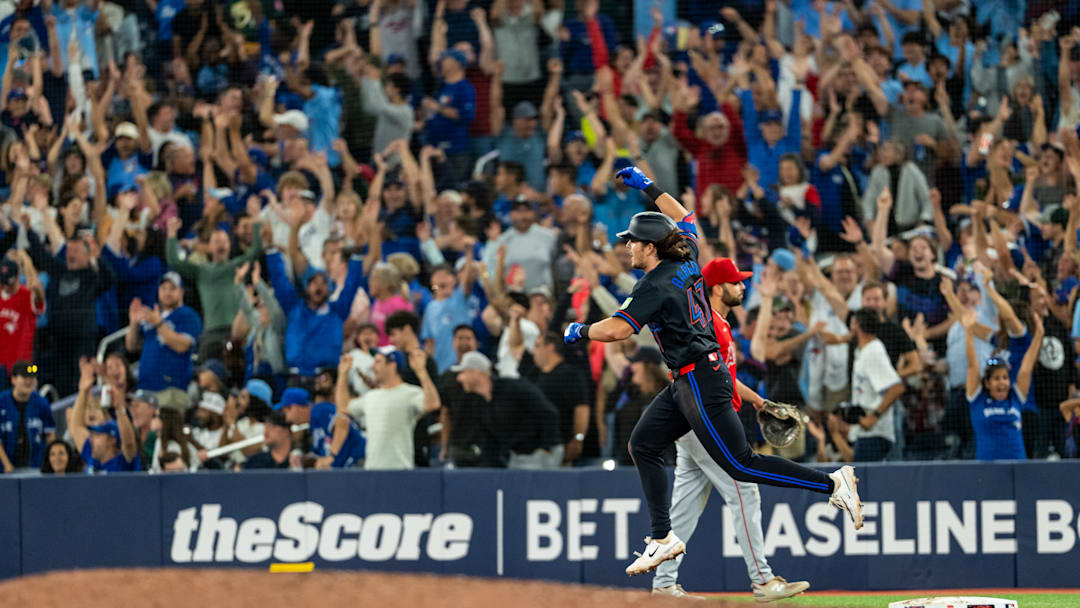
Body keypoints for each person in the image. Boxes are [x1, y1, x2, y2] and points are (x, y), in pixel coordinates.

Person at [563, 166, 862, 577]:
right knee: (644, 444)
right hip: (689, 378)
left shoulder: (653, 285)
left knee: (741, 464)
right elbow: (686, 217)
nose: (626, 247)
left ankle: (832, 484)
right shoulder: (686, 257)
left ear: (650, 247)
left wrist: (580, 329)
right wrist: (649, 186)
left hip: (702, 378)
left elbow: (616, 330)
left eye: (631, 241)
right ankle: (663, 537)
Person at [649, 259, 810, 601]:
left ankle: (663, 585)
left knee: (684, 508)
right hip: (706, 421)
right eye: (736, 282)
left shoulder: (713, 323)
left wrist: (759, 402)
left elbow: (726, 377)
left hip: (692, 424)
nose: (742, 287)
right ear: (718, 288)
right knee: (744, 491)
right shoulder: (709, 326)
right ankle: (763, 581)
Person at [962, 309, 1044, 461]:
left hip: (1017, 470)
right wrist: (968, 331)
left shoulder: (1015, 397)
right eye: (997, 378)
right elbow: (973, 365)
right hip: (988, 470)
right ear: (987, 383)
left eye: (1005, 378)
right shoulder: (977, 399)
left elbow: (1026, 368)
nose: (1002, 383)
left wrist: (1038, 335)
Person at [340, 349, 440, 470]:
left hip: (400, 471)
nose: (372, 366)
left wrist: (421, 371)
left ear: (392, 365)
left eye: (378, 362)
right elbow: (344, 406)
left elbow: (433, 404)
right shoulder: (371, 396)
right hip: (371, 471)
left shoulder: (410, 393)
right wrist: (343, 374)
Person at [125, 271, 201, 409]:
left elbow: (182, 346)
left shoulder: (188, 315)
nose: (167, 293)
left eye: (172, 288)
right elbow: (131, 346)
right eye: (163, 288)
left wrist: (158, 324)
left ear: (181, 292)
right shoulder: (153, 316)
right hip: (145, 389)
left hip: (171, 389)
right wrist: (134, 323)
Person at [848, 308, 907, 461]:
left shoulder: (873, 351)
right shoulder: (864, 351)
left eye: (852, 323)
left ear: (858, 325)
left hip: (875, 434)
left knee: (863, 483)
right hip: (866, 433)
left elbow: (896, 388)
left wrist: (873, 417)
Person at [69, 357, 140, 473]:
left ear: (111, 440)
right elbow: (75, 427)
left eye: (97, 435)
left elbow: (129, 443)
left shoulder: (123, 462)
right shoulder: (91, 455)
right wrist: (83, 391)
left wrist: (120, 409)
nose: (91, 439)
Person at [275, 386, 365, 469]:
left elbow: (343, 423)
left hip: (359, 461)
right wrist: (301, 459)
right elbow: (320, 455)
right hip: (348, 468)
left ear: (295, 407)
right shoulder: (313, 426)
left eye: (286, 412)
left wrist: (332, 456)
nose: (287, 418)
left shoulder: (319, 410)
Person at [0, 361, 54, 473]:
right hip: (3, 471)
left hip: (35, 468)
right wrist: (7, 466)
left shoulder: (41, 403)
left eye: (32, 377)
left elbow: (50, 435)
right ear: (13, 379)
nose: (29, 381)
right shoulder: (2, 402)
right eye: (24, 377)